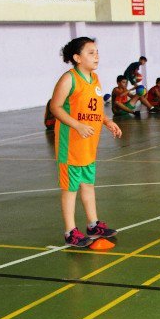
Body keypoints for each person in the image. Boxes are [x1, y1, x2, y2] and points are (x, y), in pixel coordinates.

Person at [49, 37, 123, 247]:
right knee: (70, 189)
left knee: (88, 185)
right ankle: (70, 231)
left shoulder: (95, 79)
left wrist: (107, 121)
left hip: (88, 145)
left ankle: (93, 224)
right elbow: (55, 107)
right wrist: (77, 125)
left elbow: (95, 109)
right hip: (70, 145)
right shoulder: (69, 79)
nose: (96, 56)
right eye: (91, 52)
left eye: (97, 51)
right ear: (77, 57)